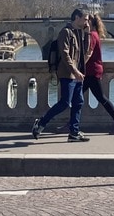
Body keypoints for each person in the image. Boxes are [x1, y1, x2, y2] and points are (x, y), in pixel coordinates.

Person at [31, 9, 92, 142]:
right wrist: (75, 71)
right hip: (68, 74)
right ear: (77, 17)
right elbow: (65, 55)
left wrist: (87, 34)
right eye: (86, 19)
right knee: (65, 103)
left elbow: (85, 53)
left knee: (78, 103)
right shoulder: (65, 33)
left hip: (78, 74)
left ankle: (74, 133)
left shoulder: (79, 33)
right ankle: (41, 123)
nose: (88, 22)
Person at [82, 14, 114, 135]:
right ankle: (72, 123)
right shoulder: (95, 34)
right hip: (92, 71)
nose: (84, 22)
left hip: (91, 72)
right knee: (79, 96)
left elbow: (88, 53)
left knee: (100, 97)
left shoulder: (92, 35)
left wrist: (78, 68)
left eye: (86, 20)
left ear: (90, 22)